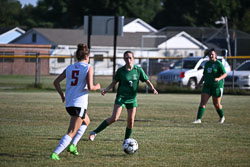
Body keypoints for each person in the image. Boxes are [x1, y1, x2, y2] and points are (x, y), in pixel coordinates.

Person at [89, 50, 158, 142]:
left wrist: (153, 88)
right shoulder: (121, 71)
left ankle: (126, 140)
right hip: (121, 97)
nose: (128, 59)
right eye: (126, 58)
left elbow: (146, 80)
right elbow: (114, 82)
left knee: (131, 120)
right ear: (124, 59)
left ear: (133, 59)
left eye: (130, 57)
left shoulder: (138, 70)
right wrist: (106, 89)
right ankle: (94, 132)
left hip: (132, 99)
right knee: (114, 118)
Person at [50, 43, 101, 160]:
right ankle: (55, 153)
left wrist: (62, 95)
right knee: (72, 131)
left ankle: (73, 145)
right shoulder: (88, 67)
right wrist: (97, 86)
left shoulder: (69, 68)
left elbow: (56, 82)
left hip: (69, 103)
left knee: (86, 121)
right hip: (79, 104)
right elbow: (91, 87)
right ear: (87, 56)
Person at [193, 48, 227, 124]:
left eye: (212, 54)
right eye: (210, 54)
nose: (211, 55)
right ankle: (198, 119)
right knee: (202, 102)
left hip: (217, 86)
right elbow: (204, 75)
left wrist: (219, 78)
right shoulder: (207, 64)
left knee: (216, 104)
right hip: (207, 86)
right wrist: (199, 84)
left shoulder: (218, 63)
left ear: (215, 55)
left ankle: (222, 117)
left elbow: (225, 74)